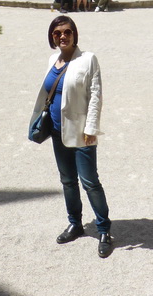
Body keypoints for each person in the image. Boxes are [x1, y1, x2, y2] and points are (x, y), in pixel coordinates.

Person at [31, 15, 112, 257]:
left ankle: (104, 229)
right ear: (52, 37)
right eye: (57, 33)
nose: (62, 36)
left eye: (67, 32)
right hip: (57, 131)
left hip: (81, 133)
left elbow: (95, 95)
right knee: (67, 181)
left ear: (75, 34)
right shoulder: (52, 59)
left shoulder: (88, 59)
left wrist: (91, 128)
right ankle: (75, 223)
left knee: (90, 182)